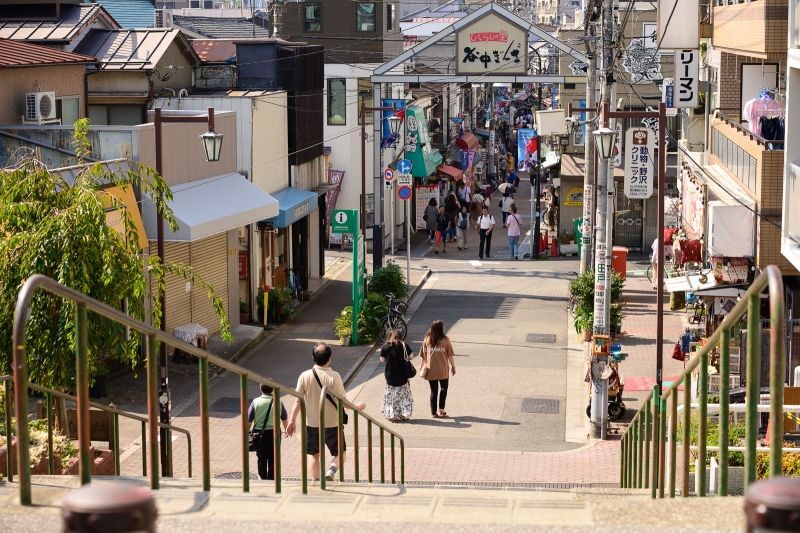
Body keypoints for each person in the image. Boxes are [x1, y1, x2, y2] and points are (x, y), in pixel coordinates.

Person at [286, 343, 366, 481]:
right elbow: (342, 401)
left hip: (311, 423)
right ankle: (331, 470)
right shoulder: (334, 376)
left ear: (313, 357)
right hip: (332, 423)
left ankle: (316, 481)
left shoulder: (304, 376)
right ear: (330, 358)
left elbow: (298, 400)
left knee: (314, 454)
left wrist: (292, 421)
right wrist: (356, 407)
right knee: (341, 452)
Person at [248, 384, 288, 480]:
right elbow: (284, 419)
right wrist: (286, 429)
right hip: (274, 433)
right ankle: (272, 479)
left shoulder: (255, 402)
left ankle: (263, 478)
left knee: (261, 457)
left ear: (260, 389)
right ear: (272, 390)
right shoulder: (278, 402)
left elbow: (249, 420)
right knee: (273, 457)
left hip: (258, 434)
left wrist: (247, 433)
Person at [418, 320, 456, 418]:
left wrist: (421, 366)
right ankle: (441, 410)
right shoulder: (446, 340)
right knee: (444, 388)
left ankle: (433, 413)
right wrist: (453, 366)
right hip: (443, 369)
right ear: (441, 329)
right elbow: (450, 356)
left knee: (433, 391)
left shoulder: (427, 339)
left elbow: (422, 355)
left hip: (431, 370)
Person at [379, 330, 415, 422]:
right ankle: (402, 414)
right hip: (402, 375)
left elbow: (382, 360)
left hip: (390, 375)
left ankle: (392, 414)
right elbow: (411, 357)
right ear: (400, 337)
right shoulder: (404, 345)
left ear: (389, 336)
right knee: (402, 396)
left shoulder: (385, 346)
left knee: (391, 396)